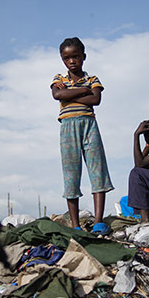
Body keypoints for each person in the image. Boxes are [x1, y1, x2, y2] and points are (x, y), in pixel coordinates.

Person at [51, 37, 114, 234]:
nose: (71, 61)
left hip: (89, 126)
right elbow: (57, 95)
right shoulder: (59, 79)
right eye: (67, 58)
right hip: (68, 127)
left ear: (83, 57)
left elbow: (95, 99)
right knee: (71, 173)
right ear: (62, 60)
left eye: (76, 56)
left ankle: (98, 221)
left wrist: (74, 92)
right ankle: (75, 225)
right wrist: (83, 91)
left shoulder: (92, 79)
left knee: (98, 169)